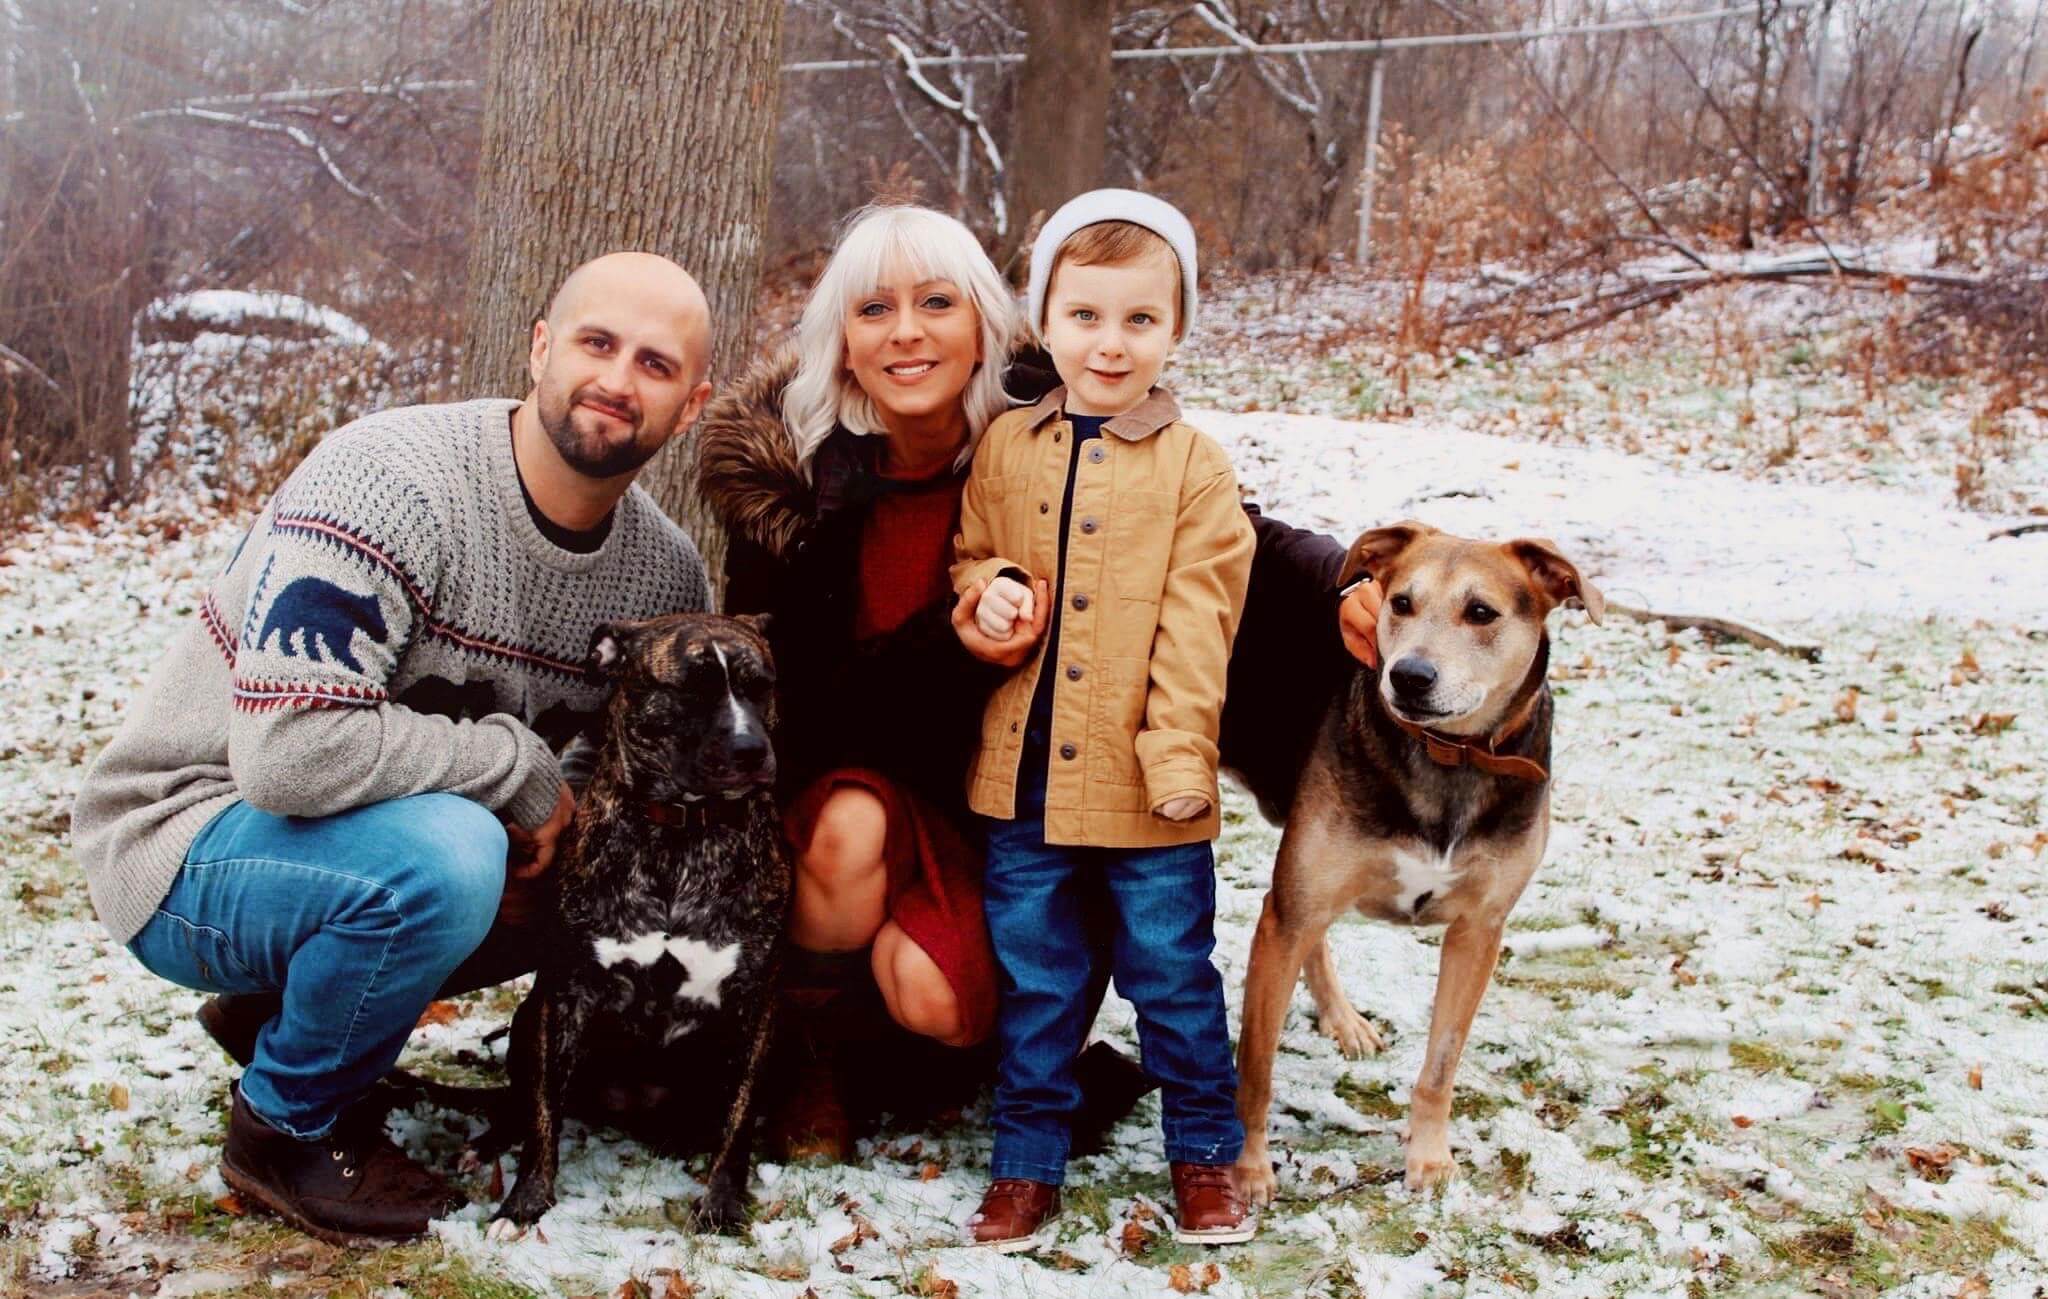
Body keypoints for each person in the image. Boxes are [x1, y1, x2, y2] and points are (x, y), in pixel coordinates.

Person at [69, 252, 718, 1245]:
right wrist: (516, 772)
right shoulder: (391, 478)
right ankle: (284, 1129)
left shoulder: (663, 573)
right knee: (454, 852)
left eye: (654, 364)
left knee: (603, 861)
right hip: (189, 841)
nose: (617, 381)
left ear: (691, 404)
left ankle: (290, 1020)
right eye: (595, 342)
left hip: (365, 851)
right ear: (541, 349)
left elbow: (603, 787)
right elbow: (288, 754)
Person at [696, 204, 1114, 1161]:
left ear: (986, 326)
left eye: (936, 302)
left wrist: (1348, 582)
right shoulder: (795, 497)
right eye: (874, 309)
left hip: (1012, 821)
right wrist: (953, 646)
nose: (908, 332)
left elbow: (1228, 533)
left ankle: (927, 1043)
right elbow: (801, 713)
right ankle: (808, 1061)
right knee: (852, 821)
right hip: (851, 803)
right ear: (844, 344)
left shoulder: (1066, 450)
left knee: (932, 998)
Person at [950, 190, 1257, 1250]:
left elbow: (1198, 627)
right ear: (1043, 321)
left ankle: (1206, 1156)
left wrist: (1178, 755)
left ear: (1175, 328)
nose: (1110, 343)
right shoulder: (1004, 449)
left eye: (1139, 319)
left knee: (1172, 981)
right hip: (1024, 784)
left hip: (1144, 784)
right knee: (1038, 988)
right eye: (1084, 316)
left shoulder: (1194, 469)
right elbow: (970, 554)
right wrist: (983, 585)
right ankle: (1026, 1164)